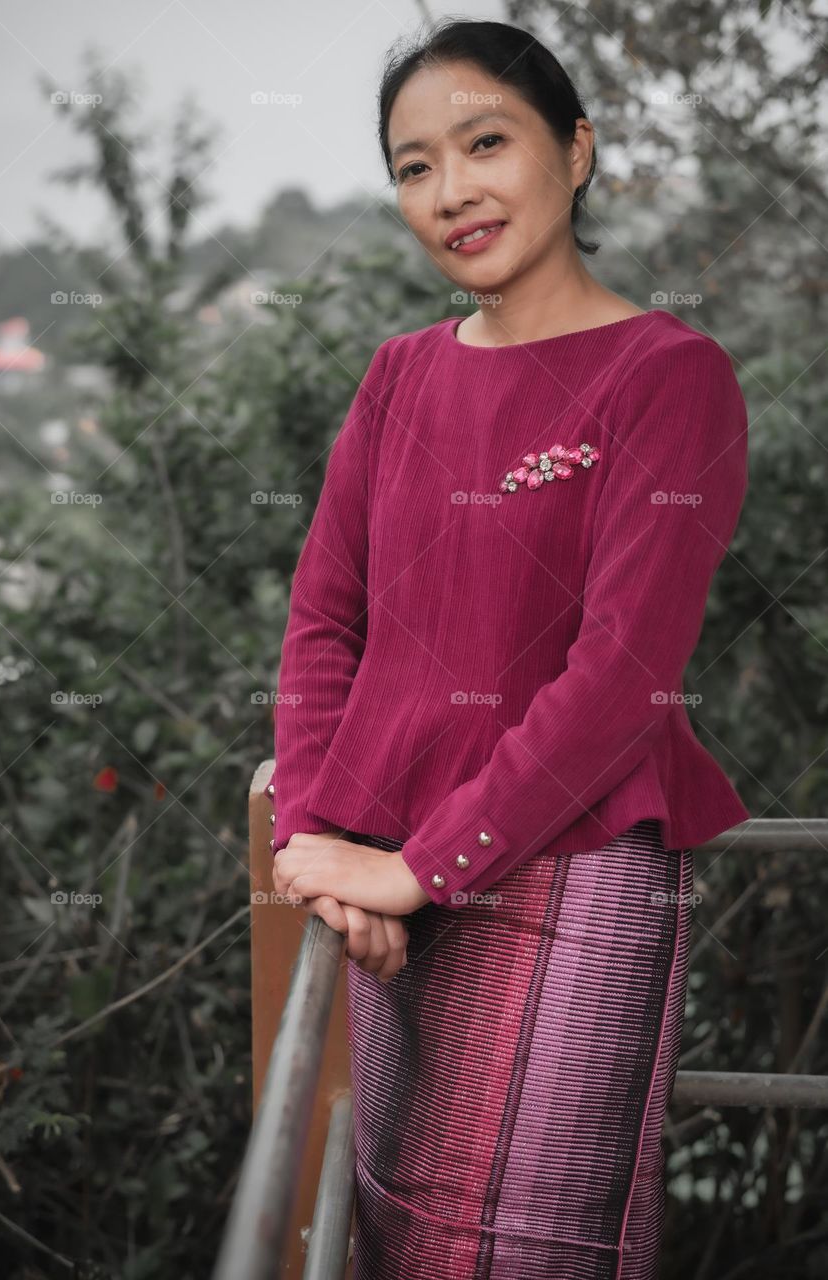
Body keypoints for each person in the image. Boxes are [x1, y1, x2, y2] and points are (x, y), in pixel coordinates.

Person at [271, 18, 750, 1280]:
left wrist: (421, 866)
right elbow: (322, 626)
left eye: (485, 144)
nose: (450, 192)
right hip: (386, 888)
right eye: (414, 165)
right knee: (396, 1229)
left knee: (520, 1250)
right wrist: (320, 851)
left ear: (575, 150)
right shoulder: (397, 377)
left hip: (570, 880)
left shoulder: (668, 374)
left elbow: (623, 675)